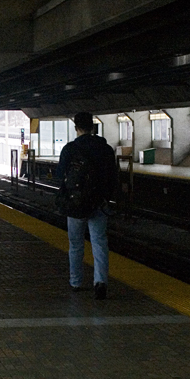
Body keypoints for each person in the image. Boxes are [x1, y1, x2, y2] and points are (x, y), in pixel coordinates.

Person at [56, 112, 118, 299]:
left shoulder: (70, 149)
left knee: (75, 244)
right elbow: (113, 177)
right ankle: (100, 282)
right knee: (99, 242)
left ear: (77, 128)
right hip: (99, 203)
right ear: (93, 127)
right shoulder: (105, 148)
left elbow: (60, 176)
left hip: (75, 205)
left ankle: (75, 282)